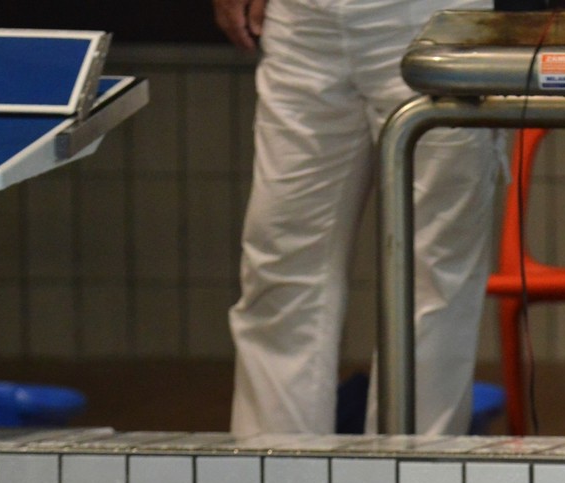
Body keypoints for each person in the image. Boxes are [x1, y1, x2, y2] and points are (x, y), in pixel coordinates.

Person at [213, 0, 501, 436]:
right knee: (280, 263)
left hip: (433, 19)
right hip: (303, 22)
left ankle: (413, 472)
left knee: (432, 279)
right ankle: (274, 469)